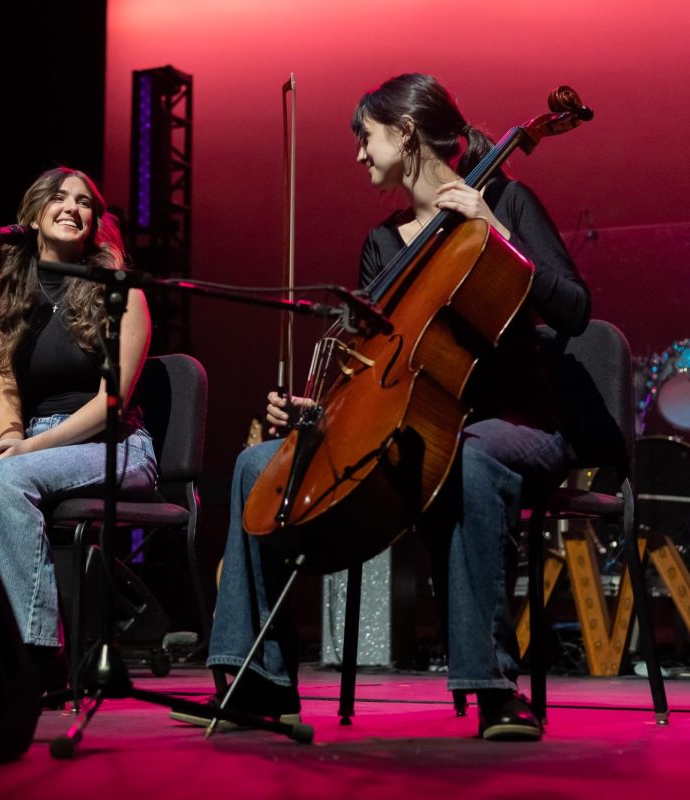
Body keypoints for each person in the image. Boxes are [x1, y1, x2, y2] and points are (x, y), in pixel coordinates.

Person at [187, 73, 590, 741]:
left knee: (473, 456)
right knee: (258, 465)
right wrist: (314, 411)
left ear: (405, 134)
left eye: (365, 138)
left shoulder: (508, 199)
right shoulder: (383, 242)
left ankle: (493, 688)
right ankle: (261, 681)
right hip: (411, 424)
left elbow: (575, 310)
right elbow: (373, 359)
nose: (358, 154)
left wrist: (496, 233)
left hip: (515, 423)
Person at [0, 167, 158, 683]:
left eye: (85, 202)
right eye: (59, 197)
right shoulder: (9, 302)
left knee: (6, 478)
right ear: (32, 215)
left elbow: (111, 403)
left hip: (116, 445)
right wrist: (10, 442)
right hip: (36, 443)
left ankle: (37, 653)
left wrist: (28, 451)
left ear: (95, 221)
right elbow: (6, 403)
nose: (73, 207)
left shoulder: (119, 293)